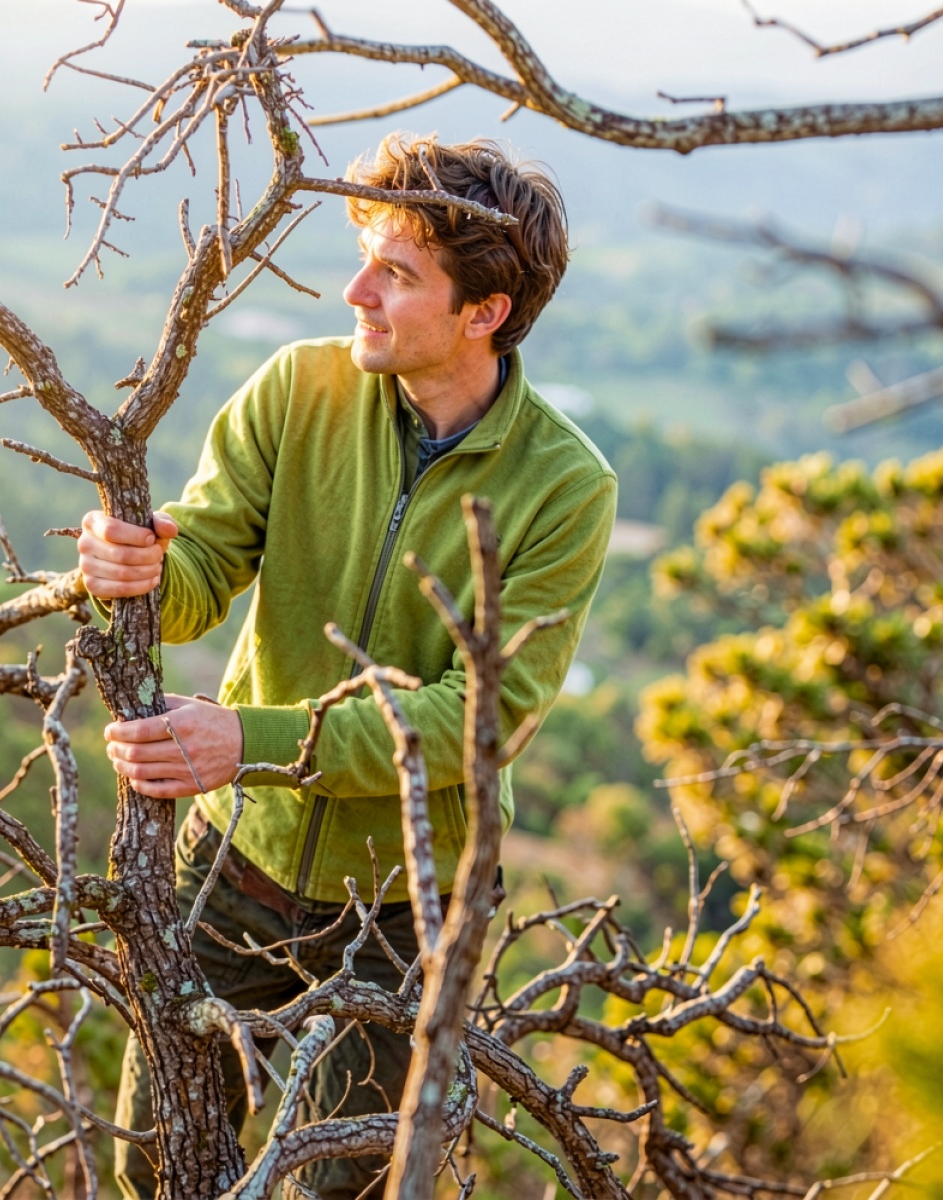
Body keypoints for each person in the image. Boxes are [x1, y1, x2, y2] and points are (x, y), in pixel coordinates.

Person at [86, 133, 618, 1199]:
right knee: (157, 1167)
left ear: (485, 313)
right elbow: (201, 572)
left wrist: (252, 741)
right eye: (365, 254)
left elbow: (480, 721)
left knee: (350, 1190)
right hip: (231, 865)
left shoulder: (566, 486)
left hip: (407, 914)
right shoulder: (298, 389)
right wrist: (134, 559)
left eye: (397, 272)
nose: (355, 288)